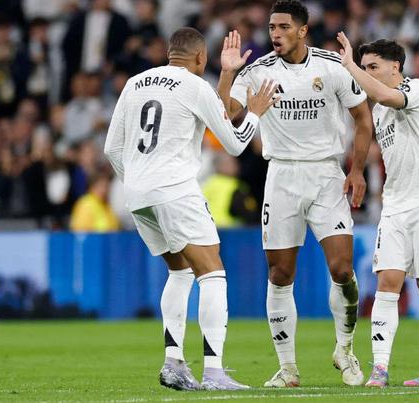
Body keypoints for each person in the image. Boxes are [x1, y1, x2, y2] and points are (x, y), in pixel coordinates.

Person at [104, 27, 277, 391]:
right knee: (212, 273)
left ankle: (174, 364)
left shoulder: (134, 83)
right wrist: (255, 113)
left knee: (180, 272)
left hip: (137, 193)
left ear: (171, 53)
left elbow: (111, 149)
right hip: (174, 189)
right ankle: (214, 373)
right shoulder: (196, 86)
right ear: (200, 58)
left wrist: (137, 181)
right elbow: (235, 144)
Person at [216, 0, 373, 387]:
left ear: (303, 30)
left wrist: (356, 169)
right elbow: (228, 112)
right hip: (282, 175)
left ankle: (345, 350)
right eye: (272, 27)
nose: (275, 34)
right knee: (280, 273)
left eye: (283, 27)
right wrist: (226, 73)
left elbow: (362, 117)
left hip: (326, 175)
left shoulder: (332, 66)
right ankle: (287, 368)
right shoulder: (257, 71)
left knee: (342, 269)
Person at [337, 33, 419, 387]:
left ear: (396, 66)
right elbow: (377, 100)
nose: (367, 72)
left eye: (373, 66)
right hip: (395, 205)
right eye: (364, 67)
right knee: (386, 283)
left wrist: (349, 67)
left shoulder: (417, 90)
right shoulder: (379, 112)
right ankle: (380, 368)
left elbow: (386, 95)